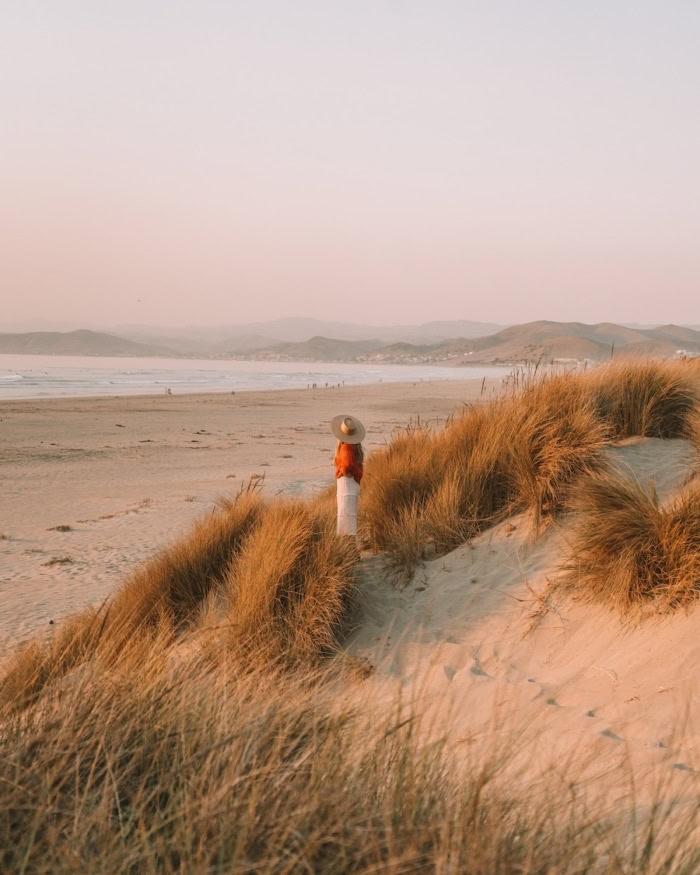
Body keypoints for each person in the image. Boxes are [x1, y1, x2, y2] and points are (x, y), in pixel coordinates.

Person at [331, 414, 365, 537]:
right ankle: (351, 550)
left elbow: (346, 467)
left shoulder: (346, 447)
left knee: (345, 518)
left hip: (347, 485)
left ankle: (349, 551)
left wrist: (341, 470)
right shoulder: (354, 448)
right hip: (351, 486)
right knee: (349, 517)